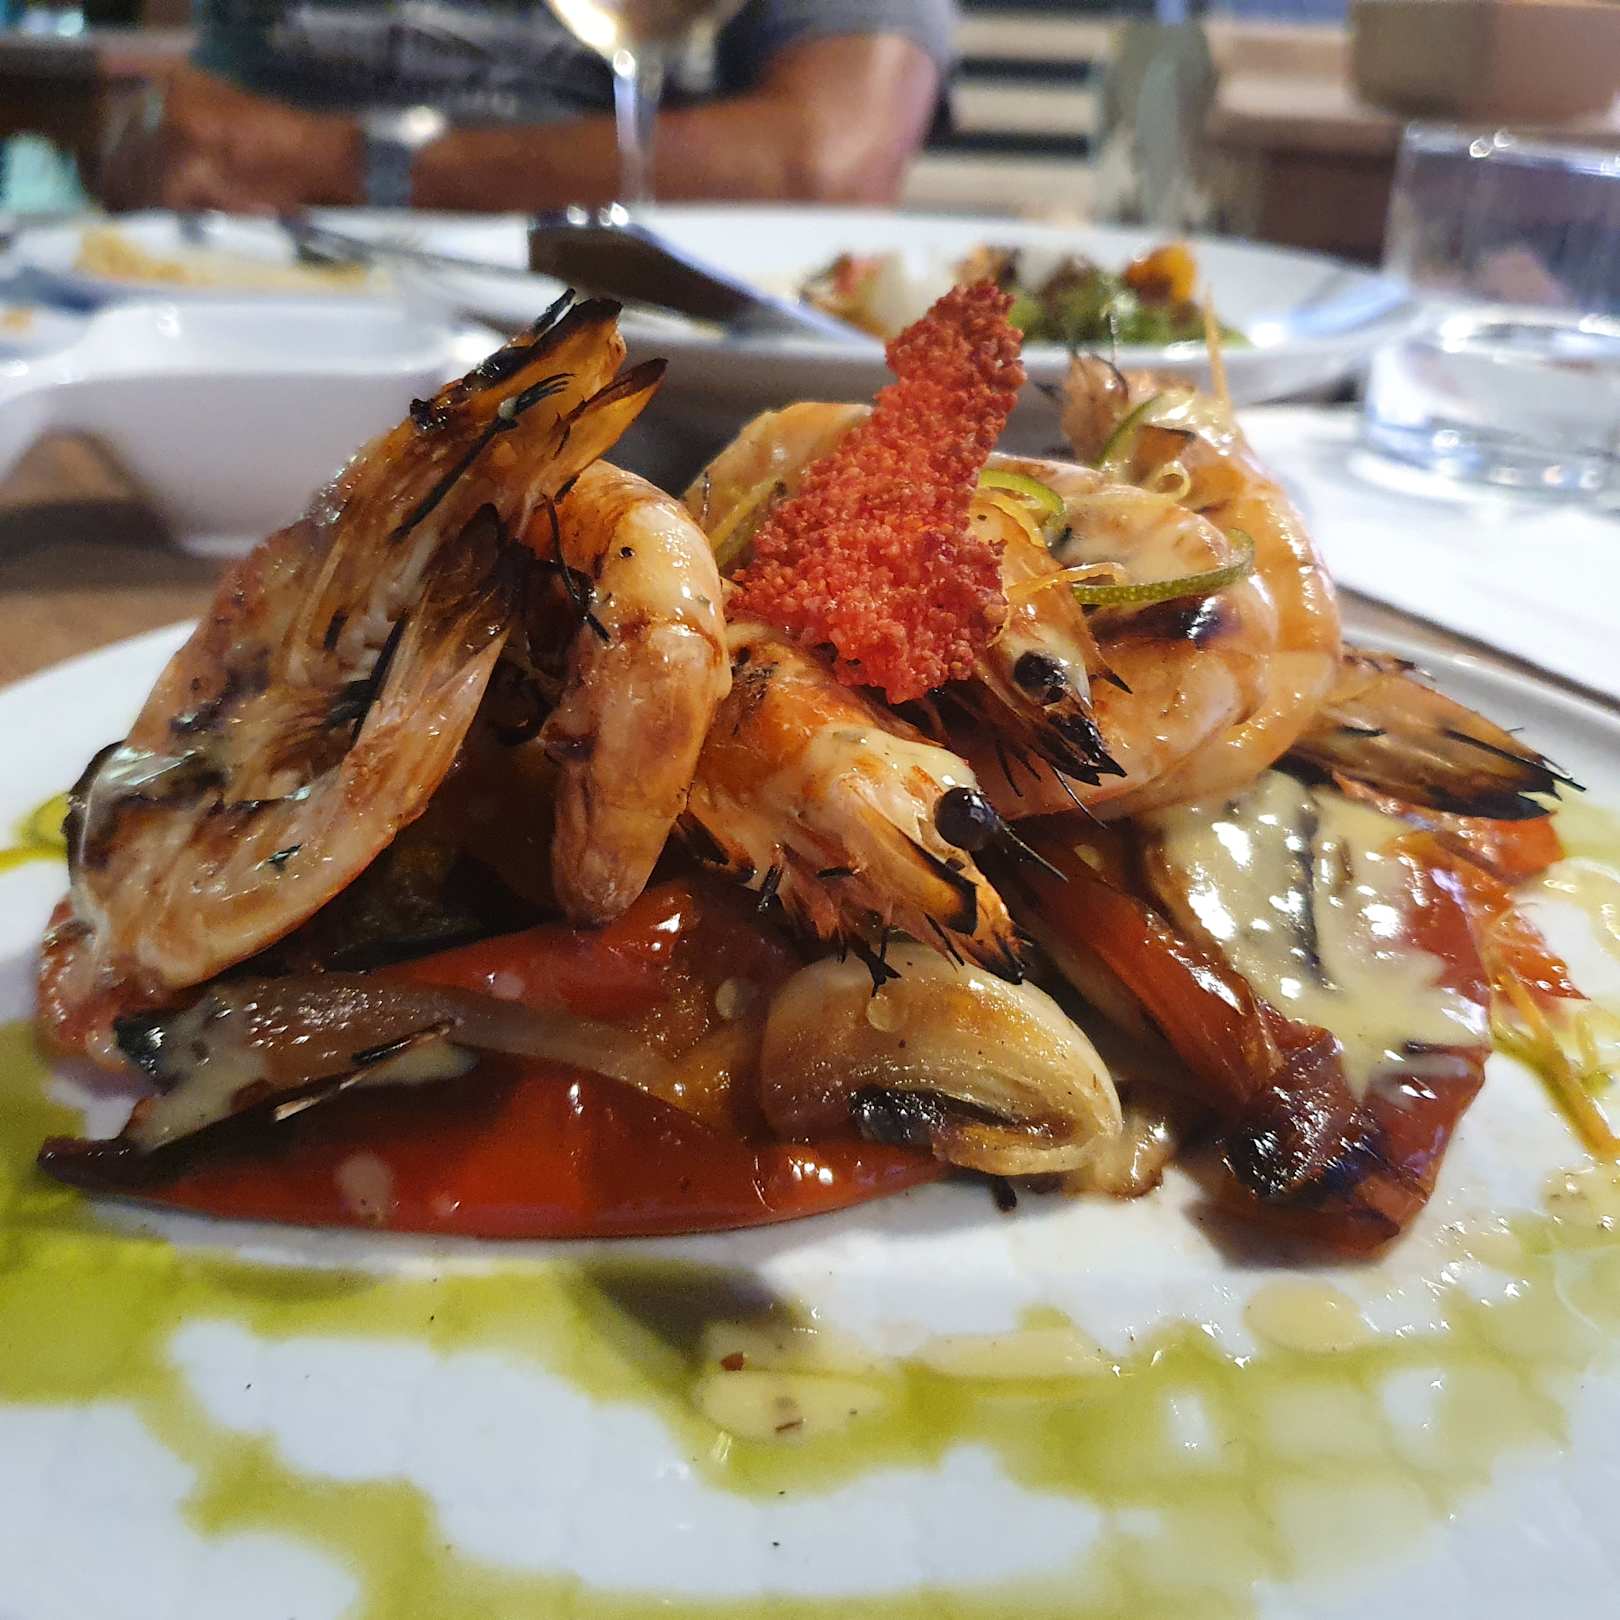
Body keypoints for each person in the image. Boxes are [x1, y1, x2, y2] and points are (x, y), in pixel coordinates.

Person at [121, 0, 955, 212]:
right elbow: (190, 116)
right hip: (253, 298)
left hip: (626, 357)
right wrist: (160, 152)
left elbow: (832, 164)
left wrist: (359, 161)